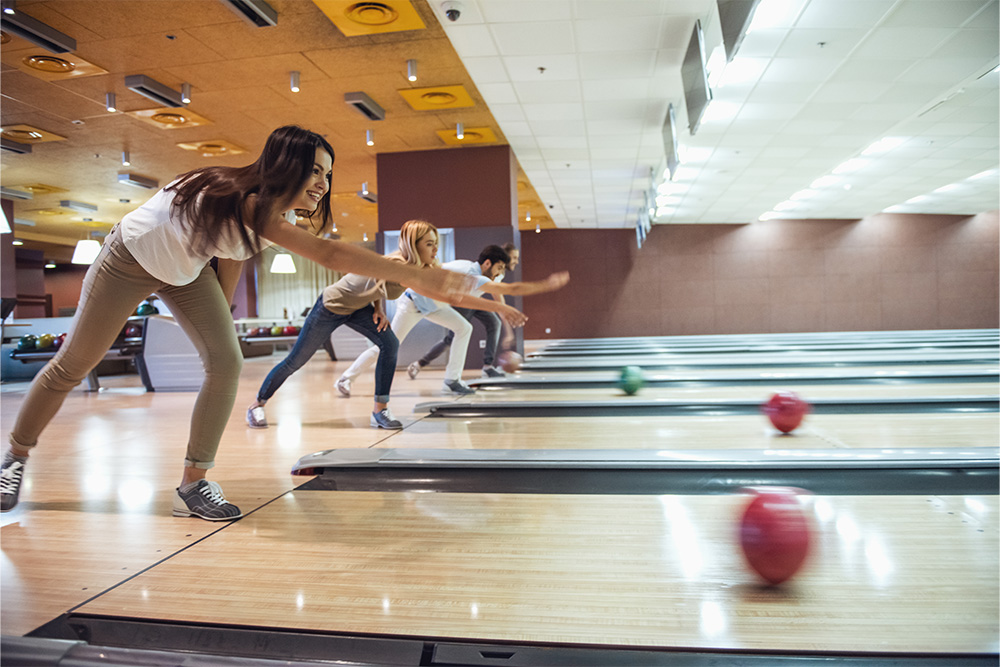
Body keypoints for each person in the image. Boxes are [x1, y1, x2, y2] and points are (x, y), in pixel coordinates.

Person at [0, 125, 472, 520]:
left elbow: (230, 254)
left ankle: (193, 482)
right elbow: (328, 254)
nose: (323, 183)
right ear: (284, 166)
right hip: (129, 258)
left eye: (327, 174)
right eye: (314, 170)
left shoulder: (273, 215)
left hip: (186, 273)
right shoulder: (246, 200)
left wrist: (219, 319)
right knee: (73, 365)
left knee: (225, 362)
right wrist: (412, 271)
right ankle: (14, 456)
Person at [338, 239, 568, 396]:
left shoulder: (481, 276)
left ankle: (452, 380)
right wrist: (545, 285)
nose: (499, 273)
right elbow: (512, 290)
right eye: (498, 268)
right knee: (387, 346)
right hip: (413, 302)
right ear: (487, 263)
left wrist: (505, 313)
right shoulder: (469, 273)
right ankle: (346, 379)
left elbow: (500, 294)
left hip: (435, 306)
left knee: (463, 328)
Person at [246, 248, 413, 432]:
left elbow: (377, 288)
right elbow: (374, 276)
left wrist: (378, 308)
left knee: (390, 343)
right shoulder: (394, 263)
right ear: (413, 244)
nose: (434, 248)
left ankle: (380, 411)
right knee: (295, 361)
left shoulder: (415, 268)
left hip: (357, 308)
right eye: (429, 243)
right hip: (330, 306)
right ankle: (257, 405)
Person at [407, 244, 561, 380]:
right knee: (452, 338)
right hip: (460, 302)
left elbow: (499, 301)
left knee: (494, 322)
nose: (515, 261)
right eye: (514, 257)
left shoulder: (497, 273)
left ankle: (487, 367)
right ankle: (421, 364)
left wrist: (507, 330)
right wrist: (546, 285)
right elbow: (503, 296)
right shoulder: (472, 271)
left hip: (473, 302)